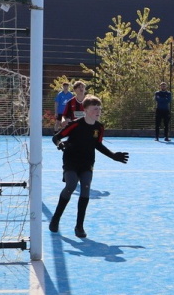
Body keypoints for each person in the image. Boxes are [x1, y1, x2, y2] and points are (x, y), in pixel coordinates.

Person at [49, 96, 129, 238]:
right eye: (94, 109)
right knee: (71, 185)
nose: (98, 111)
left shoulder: (99, 127)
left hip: (87, 161)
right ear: (85, 110)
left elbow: (97, 144)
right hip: (71, 159)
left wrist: (113, 156)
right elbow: (56, 137)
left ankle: (79, 226)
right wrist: (60, 144)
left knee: (86, 188)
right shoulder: (75, 124)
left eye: (99, 109)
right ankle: (56, 218)